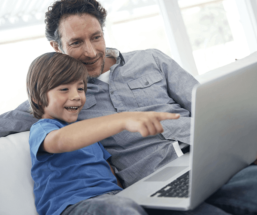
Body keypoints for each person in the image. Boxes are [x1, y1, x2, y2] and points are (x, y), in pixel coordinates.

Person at [0, 0, 257, 214]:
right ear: (57, 48)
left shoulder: (151, 59)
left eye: (96, 37)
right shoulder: (62, 99)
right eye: (77, 43)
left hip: (213, 153)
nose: (91, 52)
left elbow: (211, 107)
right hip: (162, 180)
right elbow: (7, 123)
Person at [27, 52, 180, 215]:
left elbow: (110, 172)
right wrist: (122, 120)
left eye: (80, 88)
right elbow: (60, 141)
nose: (76, 96)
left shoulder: (90, 134)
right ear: (38, 98)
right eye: (64, 89)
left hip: (116, 200)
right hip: (74, 206)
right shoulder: (43, 129)